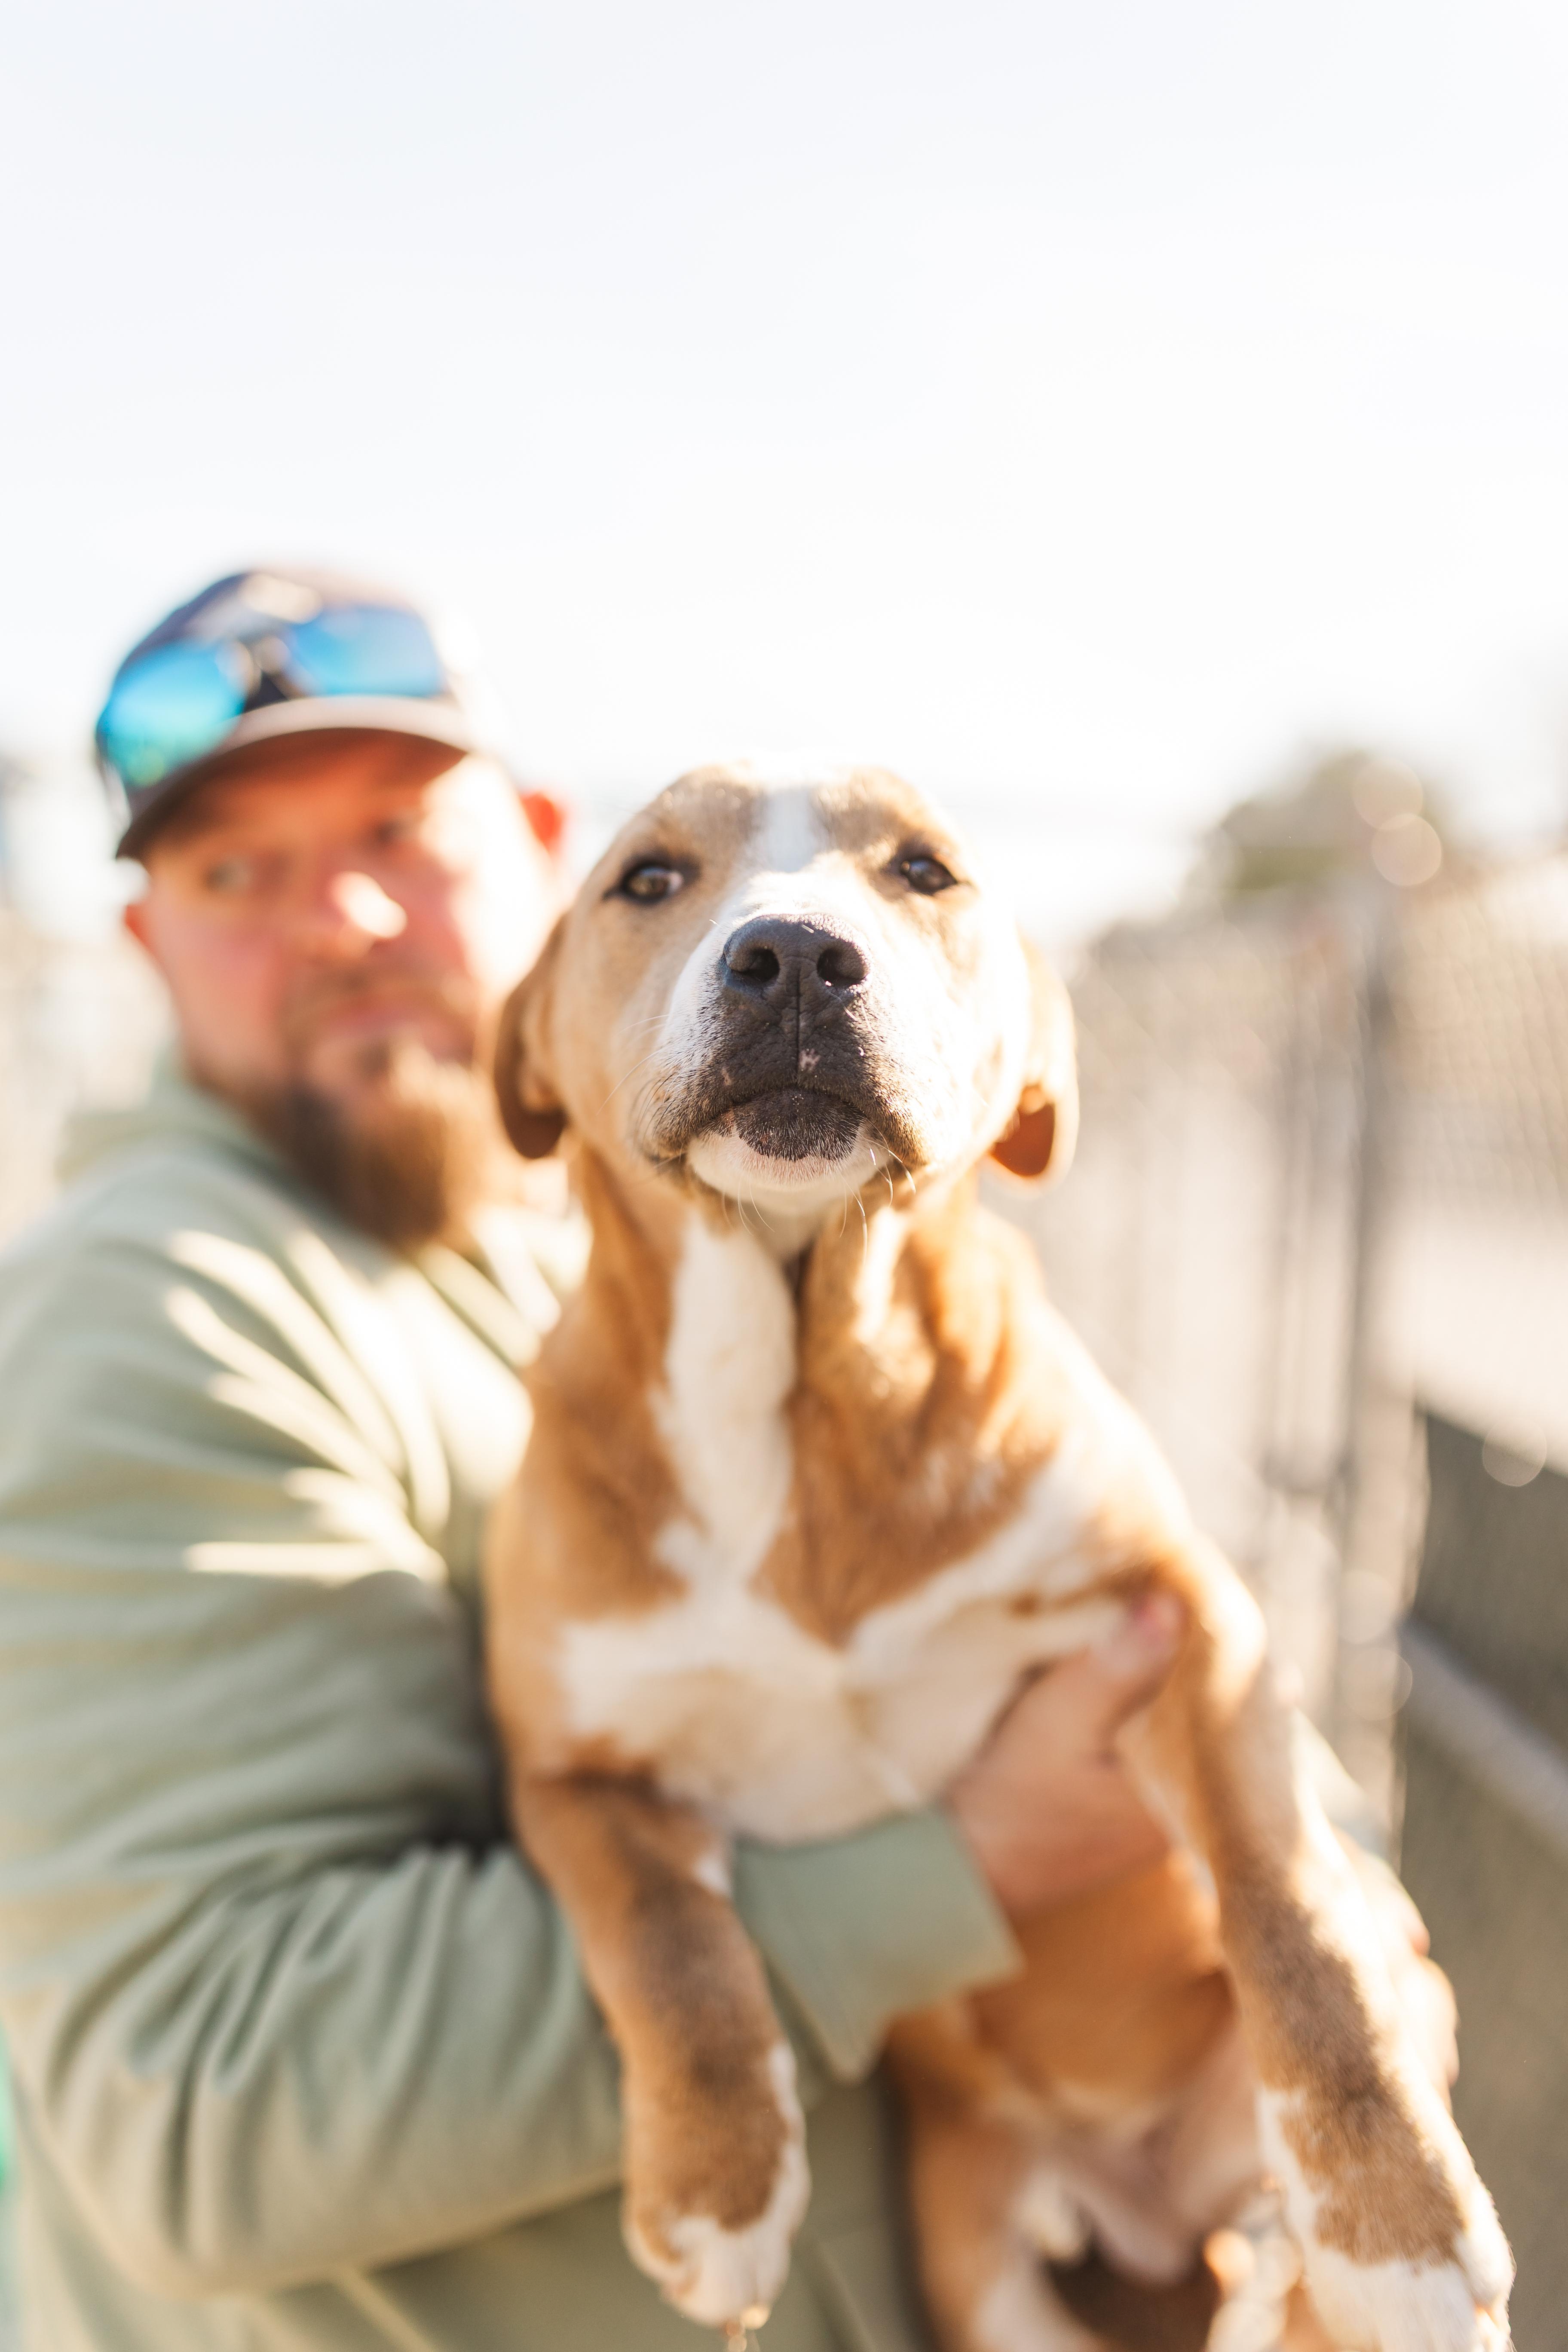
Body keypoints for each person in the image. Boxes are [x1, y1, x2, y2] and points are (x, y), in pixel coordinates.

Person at [0, 567, 1273, 2352]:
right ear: (148, 945)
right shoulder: (151, 1314)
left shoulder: (596, 1228)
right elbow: (202, 2108)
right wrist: (959, 1865)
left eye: (399, 832)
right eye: (238, 873)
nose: (347, 913)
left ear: (538, 859)